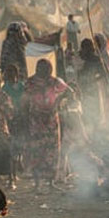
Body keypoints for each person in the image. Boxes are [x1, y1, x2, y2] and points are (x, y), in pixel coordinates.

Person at [22, 59, 69, 190]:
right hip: (36, 122)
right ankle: (37, 183)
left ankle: (50, 182)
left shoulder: (55, 82)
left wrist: (58, 102)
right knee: (36, 151)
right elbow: (24, 103)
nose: (45, 70)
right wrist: (24, 120)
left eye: (47, 68)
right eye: (42, 67)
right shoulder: (30, 83)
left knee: (52, 151)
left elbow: (69, 91)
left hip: (51, 122)